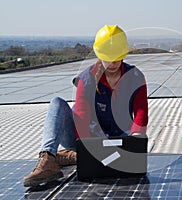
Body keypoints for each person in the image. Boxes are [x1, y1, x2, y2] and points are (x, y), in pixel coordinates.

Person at [23, 25, 149, 187]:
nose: (113, 63)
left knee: (124, 150)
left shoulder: (135, 77)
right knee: (57, 103)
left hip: (120, 140)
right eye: (108, 57)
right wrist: (92, 151)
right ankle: (48, 159)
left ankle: (73, 156)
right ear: (100, 54)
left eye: (117, 57)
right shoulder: (86, 79)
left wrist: (135, 141)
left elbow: (141, 112)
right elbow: (81, 120)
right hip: (87, 140)